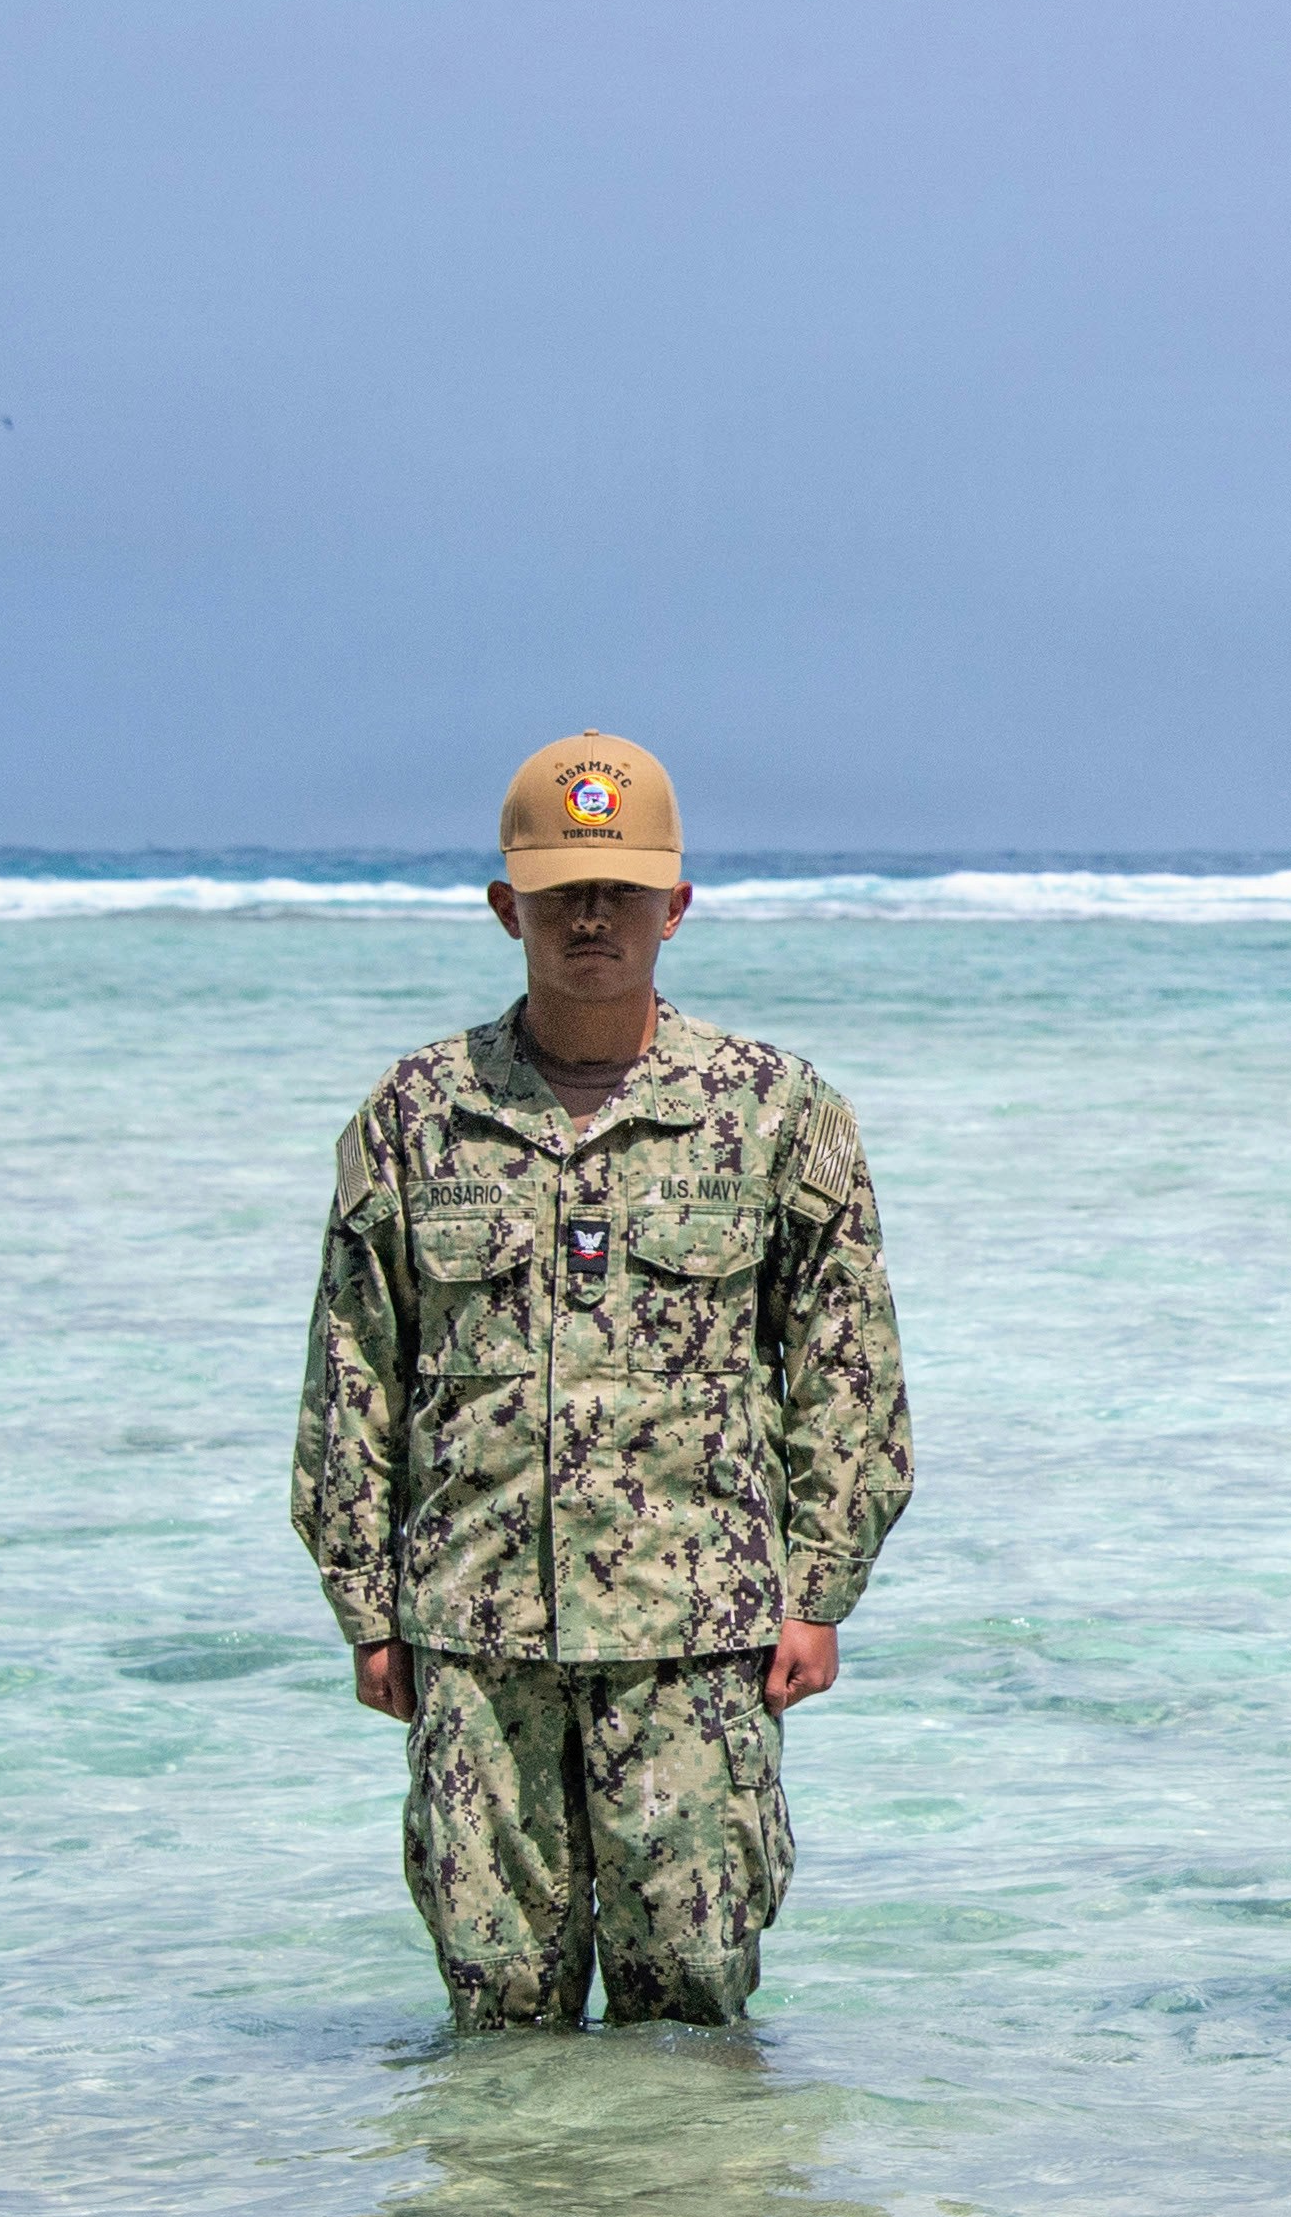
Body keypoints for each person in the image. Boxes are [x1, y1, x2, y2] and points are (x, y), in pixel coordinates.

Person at [290, 731, 913, 2029]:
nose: (591, 916)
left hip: (695, 1647)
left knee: (691, 2012)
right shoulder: (416, 1116)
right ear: (503, 904)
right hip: (474, 1643)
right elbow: (354, 1374)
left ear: (673, 908)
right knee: (497, 2013)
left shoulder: (774, 1111)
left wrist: (817, 1591)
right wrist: (366, 1604)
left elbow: (846, 1377)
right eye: (562, 889)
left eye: (620, 890)